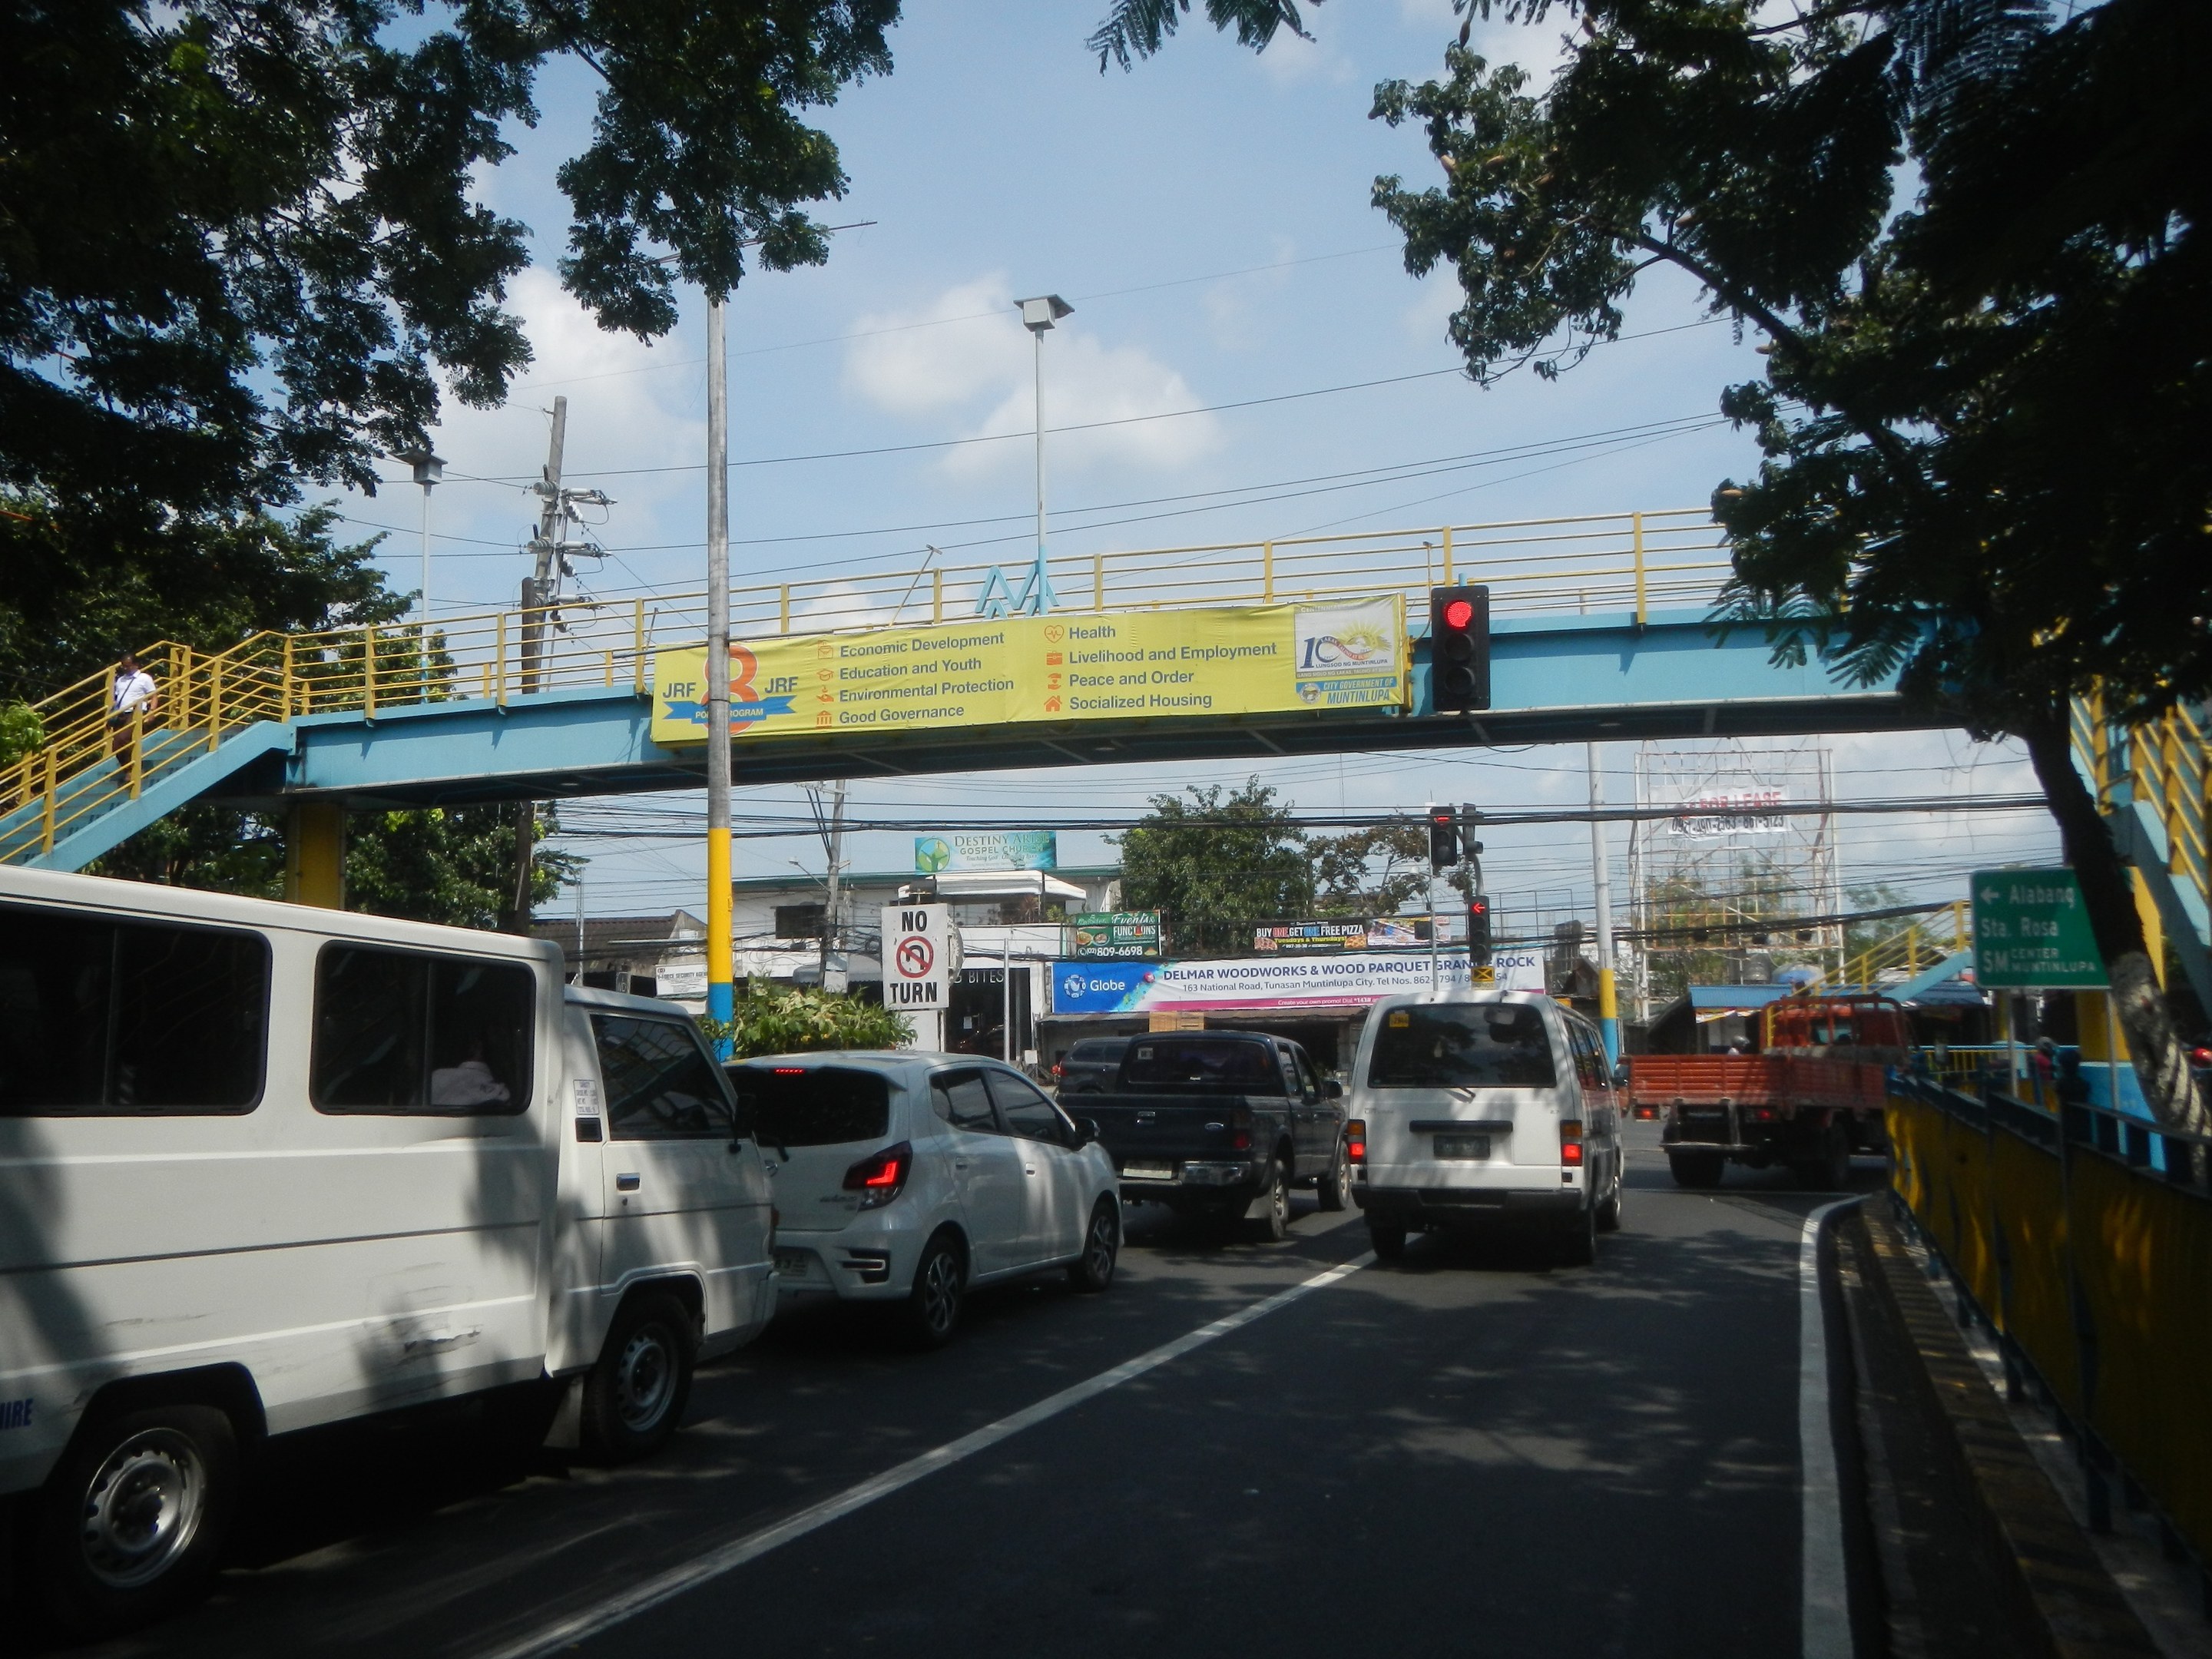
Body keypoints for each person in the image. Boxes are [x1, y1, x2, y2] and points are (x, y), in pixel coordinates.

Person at [108, 651, 157, 759]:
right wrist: (111, 715)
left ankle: (133, 767)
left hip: (136, 713)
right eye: (123, 666)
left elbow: (153, 696)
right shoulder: (121, 679)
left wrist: (152, 711)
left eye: (128, 666)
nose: (125, 669)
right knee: (116, 745)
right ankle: (128, 770)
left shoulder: (144, 678)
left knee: (123, 738)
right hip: (121, 713)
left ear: (136, 665)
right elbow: (117, 698)